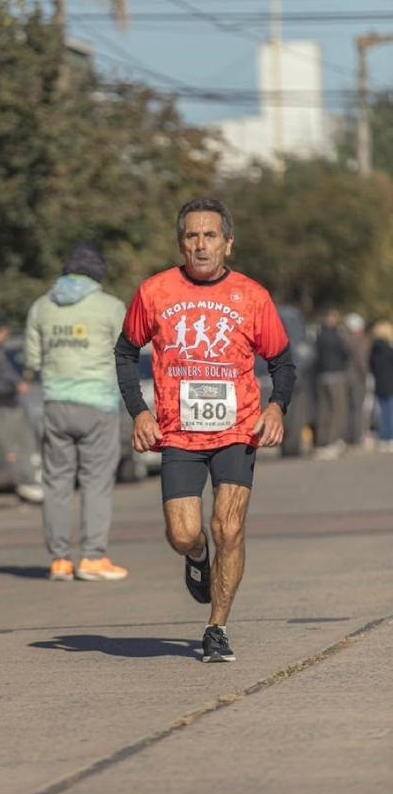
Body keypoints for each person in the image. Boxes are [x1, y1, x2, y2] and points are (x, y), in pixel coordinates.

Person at [115, 198, 295, 663]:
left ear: (228, 244)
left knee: (228, 527)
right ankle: (196, 558)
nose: (200, 244)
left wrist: (276, 408)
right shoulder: (154, 292)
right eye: (192, 236)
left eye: (210, 235)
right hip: (178, 434)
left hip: (237, 430)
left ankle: (217, 627)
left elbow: (282, 362)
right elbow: (124, 352)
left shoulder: (253, 296)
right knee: (184, 533)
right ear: (181, 243)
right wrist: (139, 410)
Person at [25, 241, 128, 582]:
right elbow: (126, 353)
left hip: (56, 403)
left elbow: (32, 360)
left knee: (56, 484)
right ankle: (93, 557)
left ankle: (59, 560)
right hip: (98, 403)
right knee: (96, 483)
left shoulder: (42, 307)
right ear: (99, 273)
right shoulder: (111, 307)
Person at [0, 315, 43, 504]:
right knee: (15, 447)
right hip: (2, 406)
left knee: (5, 449)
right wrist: (18, 384)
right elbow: (1, 375)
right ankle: (25, 483)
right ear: (0, 331)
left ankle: (21, 483)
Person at [312, 305, 349, 459]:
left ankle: (321, 442)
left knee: (323, 410)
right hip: (336, 375)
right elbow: (345, 353)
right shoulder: (336, 335)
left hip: (321, 376)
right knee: (338, 409)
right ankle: (332, 441)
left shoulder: (318, 335)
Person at [342, 312, 372, 448]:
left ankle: (348, 435)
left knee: (347, 407)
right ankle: (358, 436)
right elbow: (361, 361)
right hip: (358, 378)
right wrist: (366, 374)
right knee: (358, 407)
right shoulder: (360, 340)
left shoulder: (343, 338)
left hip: (346, 377)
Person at [368, 320, 393, 452]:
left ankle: (383, 437)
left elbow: (372, 367)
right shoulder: (389, 350)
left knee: (382, 413)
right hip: (389, 384)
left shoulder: (373, 350)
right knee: (389, 412)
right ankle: (389, 437)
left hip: (379, 384)